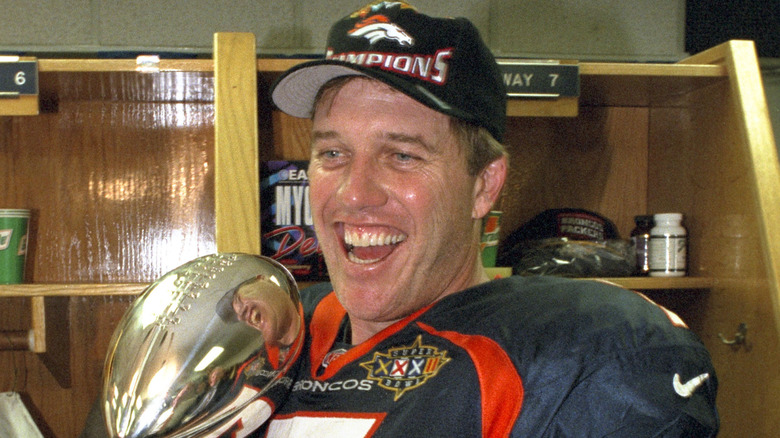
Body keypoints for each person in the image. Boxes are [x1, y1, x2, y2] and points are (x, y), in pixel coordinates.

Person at [257, 1, 719, 437]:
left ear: (484, 185)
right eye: (333, 153)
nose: (354, 194)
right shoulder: (273, 328)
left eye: (401, 155)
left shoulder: (576, 355)